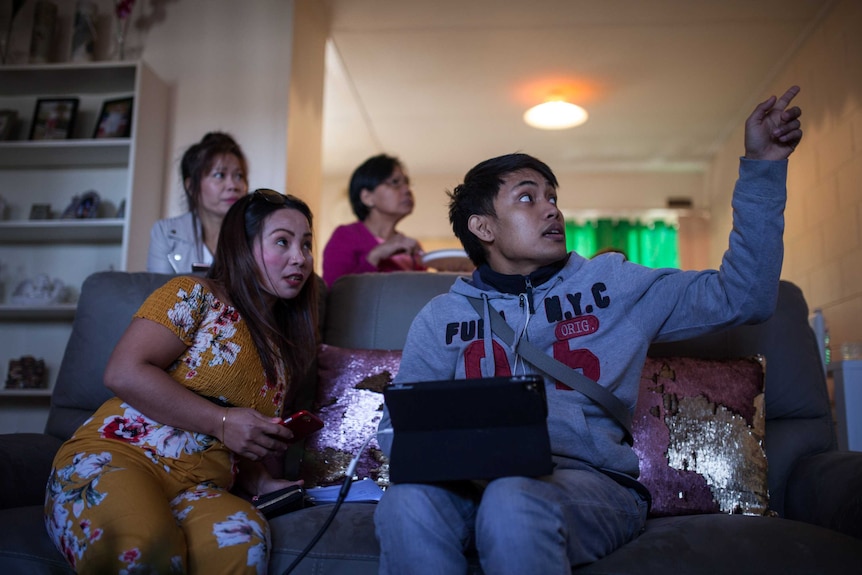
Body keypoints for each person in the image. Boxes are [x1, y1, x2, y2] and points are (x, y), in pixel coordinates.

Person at [374, 86, 803, 574]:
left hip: (586, 484)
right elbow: (399, 432)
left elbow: (744, 295)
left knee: (512, 498)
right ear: (484, 228)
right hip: (467, 486)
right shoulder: (440, 317)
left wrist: (764, 168)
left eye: (552, 197)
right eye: (527, 198)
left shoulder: (614, 285)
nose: (552, 209)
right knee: (405, 503)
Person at [45, 189, 320, 573]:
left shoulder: (280, 347)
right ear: (242, 246)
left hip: (201, 487)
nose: (300, 258)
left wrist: (260, 482)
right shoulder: (195, 294)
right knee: (144, 548)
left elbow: (232, 439)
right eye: (283, 242)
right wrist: (220, 422)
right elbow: (123, 371)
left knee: (244, 541)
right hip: (122, 457)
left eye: (306, 245)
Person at [147, 132, 249, 274]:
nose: (233, 185)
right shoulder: (166, 233)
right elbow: (159, 291)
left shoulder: (256, 233)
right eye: (220, 175)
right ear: (191, 186)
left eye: (239, 176)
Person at [322, 153, 426, 287]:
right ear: (367, 197)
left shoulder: (411, 247)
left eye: (407, 183)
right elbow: (336, 294)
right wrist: (375, 256)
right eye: (395, 182)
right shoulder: (345, 236)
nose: (407, 190)